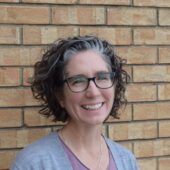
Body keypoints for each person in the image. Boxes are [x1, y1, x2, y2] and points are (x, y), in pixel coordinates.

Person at [10, 35, 139, 170]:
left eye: (102, 77)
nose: (93, 92)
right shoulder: (33, 163)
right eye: (78, 81)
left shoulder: (127, 161)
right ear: (60, 96)